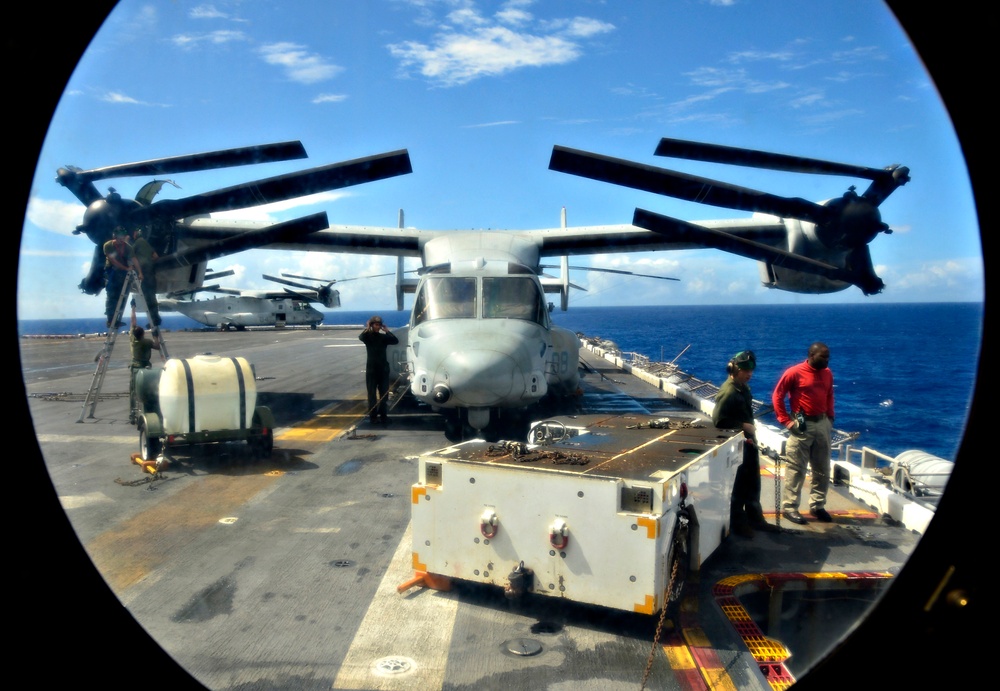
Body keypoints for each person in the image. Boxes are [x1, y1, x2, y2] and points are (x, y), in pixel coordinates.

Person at [712, 350, 780, 538]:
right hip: (737, 445)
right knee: (739, 486)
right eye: (745, 369)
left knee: (752, 484)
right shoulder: (729, 392)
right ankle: (738, 523)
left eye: (751, 370)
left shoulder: (743, 388)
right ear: (734, 369)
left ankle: (755, 518)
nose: (749, 373)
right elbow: (718, 421)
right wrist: (742, 425)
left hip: (748, 443)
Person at [772, 342, 835, 525]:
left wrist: (830, 418)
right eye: (823, 356)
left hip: (822, 423)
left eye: (828, 356)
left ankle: (817, 505)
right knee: (796, 468)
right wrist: (786, 421)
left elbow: (829, 394)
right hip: (802, 424)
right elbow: (778, 396)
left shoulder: (827, 373)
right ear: (811, 355)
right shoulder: (794, 372)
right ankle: (790, 507)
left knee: (822, 468)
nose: (827, 360)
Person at [359, 316, 398, 424]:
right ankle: (373, 417)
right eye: (376, 325)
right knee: (371, 395)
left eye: (379, 325)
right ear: (372, 325)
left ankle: (383, 415)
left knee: (384, 395)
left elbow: (395, 341)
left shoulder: (383, 337)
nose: (378, 327)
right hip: (372, 370)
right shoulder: (368, 337)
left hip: (383, 369)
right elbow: (361, 337)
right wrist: (367, 328)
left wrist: (386, 331)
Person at [128, 301, 160, 425]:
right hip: (144, 368)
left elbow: (133, 321)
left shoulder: (132, 338)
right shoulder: (145, 342)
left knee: (133, 391)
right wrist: (155, 334)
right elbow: (157, 346)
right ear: (142, 335)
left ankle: (132, 414)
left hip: (134, 367)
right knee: (148, 390)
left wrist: (133, 308)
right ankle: (150, 411)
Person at [102, 226, 140, 328]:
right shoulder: (108, 245)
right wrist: (126, 268)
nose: (121, 238)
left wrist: (140, 272)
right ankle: (110, 320)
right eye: (119, 236)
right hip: (112, 271)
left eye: (123, 236)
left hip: (123, 273)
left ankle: (117, 320)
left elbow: (134, 259)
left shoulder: (127, 247)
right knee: (112, 295)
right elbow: (113, 260)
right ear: (114, 236)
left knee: (123, 295)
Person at [130, 227, 161, 327]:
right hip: (151, 273)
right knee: (152, 297)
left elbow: (129, 255)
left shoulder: (137, 243)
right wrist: (148, 262)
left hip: (143, 273)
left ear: (135, 234)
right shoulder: (145, 243)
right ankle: (155, 318)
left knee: (147, 297)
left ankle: (154, 319)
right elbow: (156, 256)